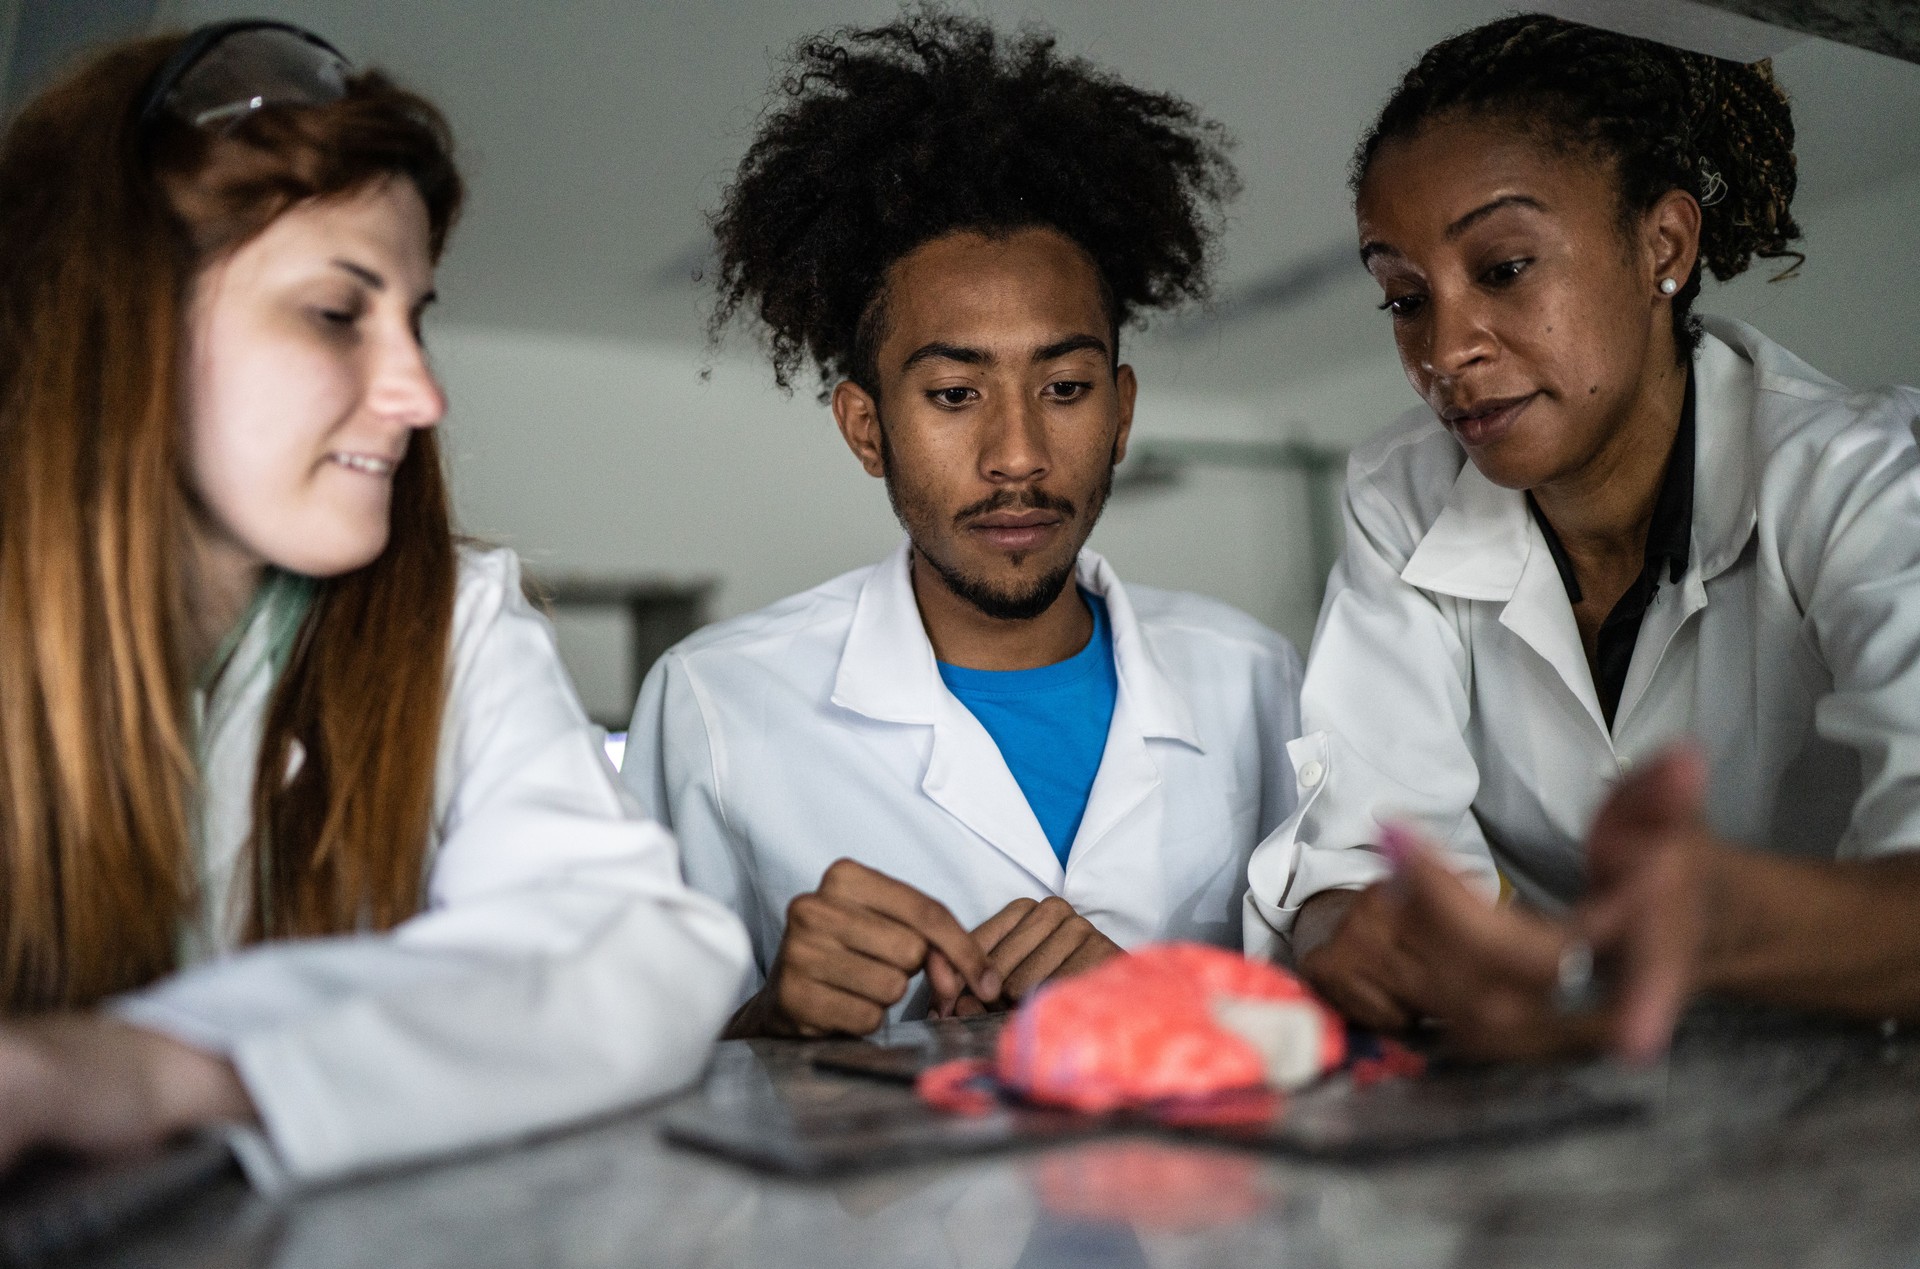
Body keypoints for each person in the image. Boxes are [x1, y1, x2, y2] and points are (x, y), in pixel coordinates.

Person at [0, 23, 749, 1189]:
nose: (419, 391)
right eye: (337, 313)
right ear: (117, 323)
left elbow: (639, 945)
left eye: (416, 315)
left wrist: (155, 1067)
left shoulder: (448, 622)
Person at [1244, 13, 1920, 1062]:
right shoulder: (1404, 492)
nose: (1446, 350)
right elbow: (1364, 847)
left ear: (1664, 245)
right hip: (1576, 1087)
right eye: (1404, 298)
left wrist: (1722, 923)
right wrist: (1359, 928)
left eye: (1505, 268)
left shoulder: (1863, 478)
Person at [624, 10, 1303, 1038]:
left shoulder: (1252, 678)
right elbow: (631, 1077)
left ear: (1122, 412)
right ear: (865, 426)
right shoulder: (717, 704)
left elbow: (1336, 1027)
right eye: (953, 395)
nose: (1019, 455)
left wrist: (1156, 1008)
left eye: (1066, 388)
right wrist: (771, 1018)